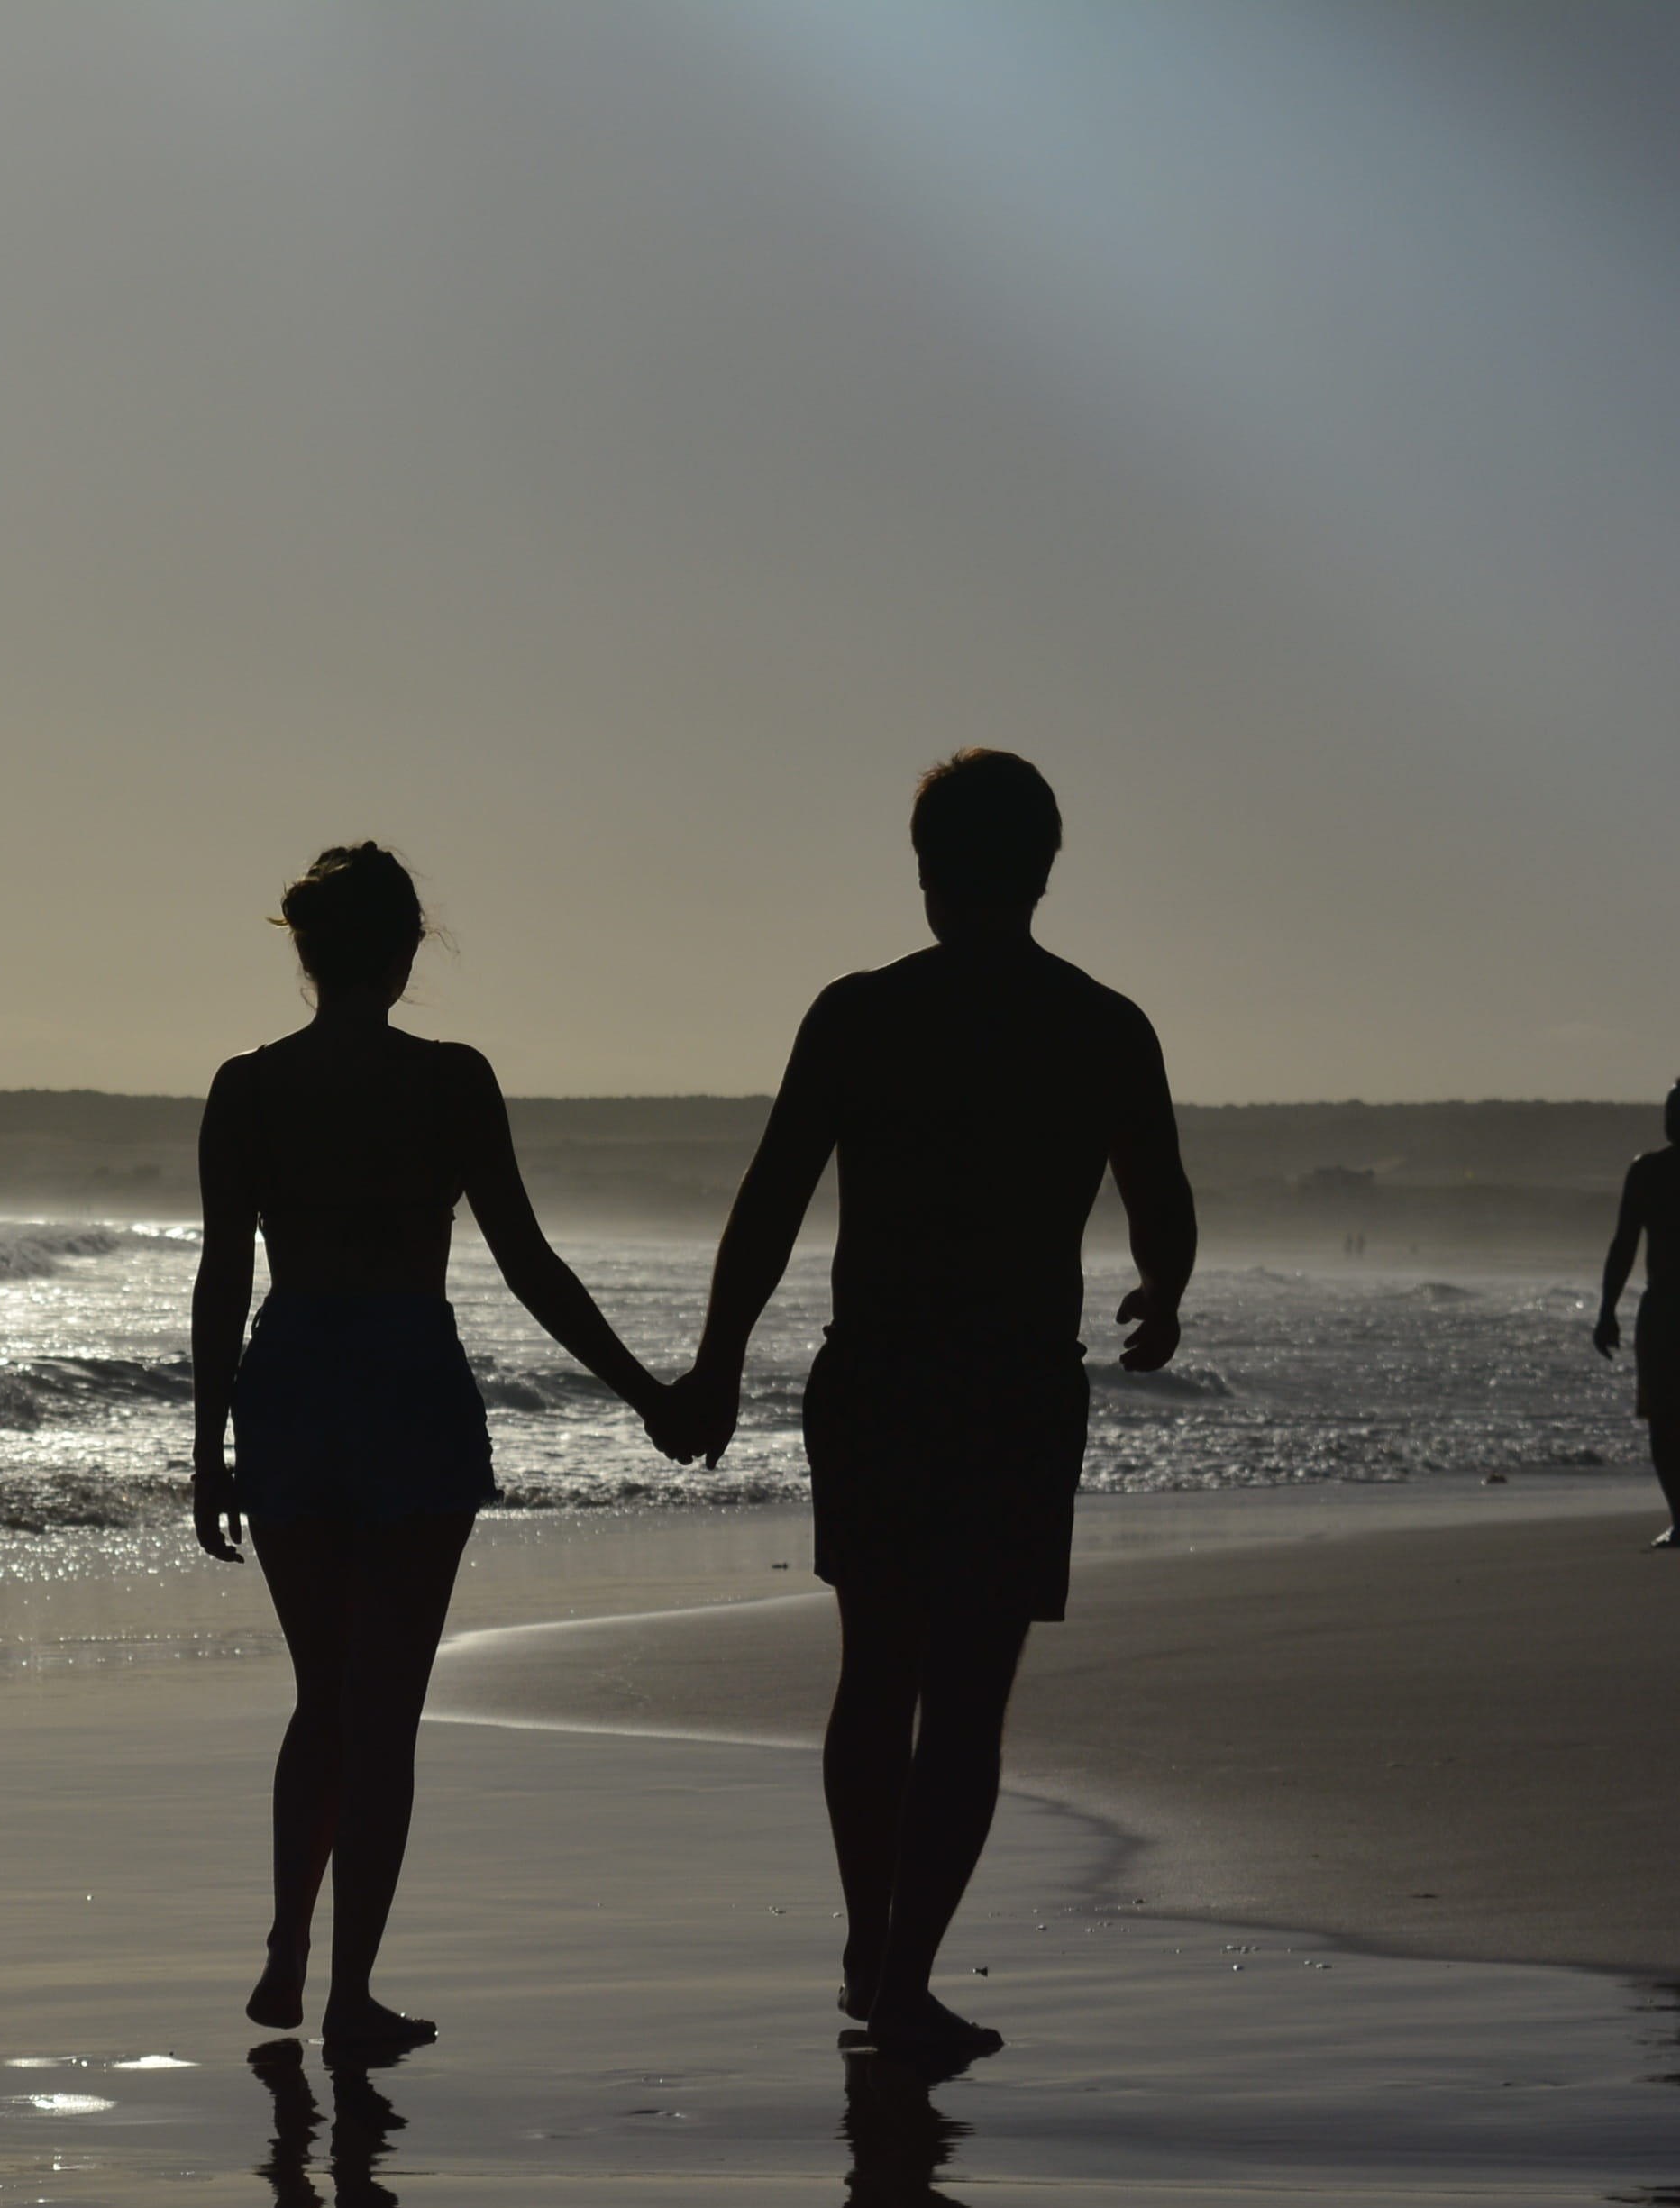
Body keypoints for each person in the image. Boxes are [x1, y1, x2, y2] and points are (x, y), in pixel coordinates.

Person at [654, 750, 1195, 2058]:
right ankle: (901, 1971)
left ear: (930, 872)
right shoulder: (1100, 1024)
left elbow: (772, 1200)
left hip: (880, 1374)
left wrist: (718, 1362)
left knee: (876, 1673)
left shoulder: (858, 1013)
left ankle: (870, 1944)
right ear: (1043, 870)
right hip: (1012, 1387)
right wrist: (1161, 1297)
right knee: (963, 1702)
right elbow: (1162, 1204)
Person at [193, 844, 676, 2055]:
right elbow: (529, 1264)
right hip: (408, 1383)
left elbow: (220, 1278)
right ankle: (350, 1993)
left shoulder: (247, 1089)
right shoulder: (453, 1083)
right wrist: (646, 1392)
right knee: (385, 1711)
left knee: (323, 1697)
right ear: (408, 951)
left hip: (293, 1380)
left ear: (305, 953)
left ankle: (286, 1942)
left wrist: (207, 1445)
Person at [1591, 1081, 1680, 1547]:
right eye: (1671, 1109)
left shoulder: (1648, 1172)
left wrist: (1608, 1312)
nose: (1671, 1118)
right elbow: (1624, 1244)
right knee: (1664, 1417)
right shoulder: (1647, 1171)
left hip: (1666, 1307)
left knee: (1667, 1419)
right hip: (1662, 1306)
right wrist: (1606, 1311)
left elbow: (1624, 1244)